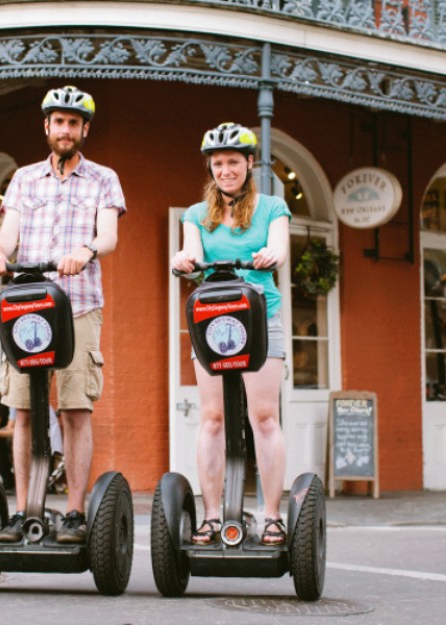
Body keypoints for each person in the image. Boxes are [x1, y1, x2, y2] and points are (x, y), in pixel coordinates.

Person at [0, 85, 125, 544]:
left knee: (75, 410)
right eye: (58, 122)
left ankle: (77, 513)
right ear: (46, 127)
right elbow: (7, 235)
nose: (65, 130)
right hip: (27, 305)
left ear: (85, 130)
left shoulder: (104, 178)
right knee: (23, 411)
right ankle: (25, 509)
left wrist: (84, 251)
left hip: (78, 302)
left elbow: (109, 237)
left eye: (73, 123)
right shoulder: (24, 179)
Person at [170, 122, 291, 546]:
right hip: (213, 320)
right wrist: (185, 259)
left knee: (263, 417)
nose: (226, 170)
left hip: (261, 317)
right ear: (211, 167)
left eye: (233, 162)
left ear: (249, 163)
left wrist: (271, 254)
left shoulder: (272, 207)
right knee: (213, 417)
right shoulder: (196, 214)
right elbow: (193, 252)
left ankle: (273, 515)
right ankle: (210, 516)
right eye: (218, 163)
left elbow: (279, 246)